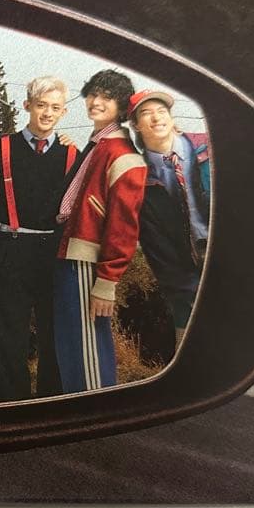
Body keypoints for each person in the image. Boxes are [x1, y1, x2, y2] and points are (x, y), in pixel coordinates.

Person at [0, 76, 78, 401]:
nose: (47, 113)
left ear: (63, 112)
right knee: (10, 338)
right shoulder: (0, 149)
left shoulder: (71, 155)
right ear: (27, 106)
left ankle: (49, 406)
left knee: (54, 336)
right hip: (12, 252)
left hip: (53, 254)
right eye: (41, 105)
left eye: (55, 107)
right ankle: (13, 406)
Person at [53, 69, 146, 393]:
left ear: (121, 105)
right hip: (70, 254)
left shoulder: (121, 153)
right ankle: (77, 409)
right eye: (93, 94)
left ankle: (96, 409)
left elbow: (124, 225)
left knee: (88, 348)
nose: (96, 101)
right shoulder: (97, 145)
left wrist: (107, 281)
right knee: (71, 346)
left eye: (106, 97)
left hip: (88, 261)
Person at [129, 89, 211, 343]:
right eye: (146, 113)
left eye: (161, 111)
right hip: (188, 288)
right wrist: (194, 295)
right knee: (192, 353)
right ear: (136, 126)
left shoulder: (209, 150)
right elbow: (158, 250)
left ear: (171, 117)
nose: (156, 118)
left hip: (232, 264)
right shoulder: (139, 179)